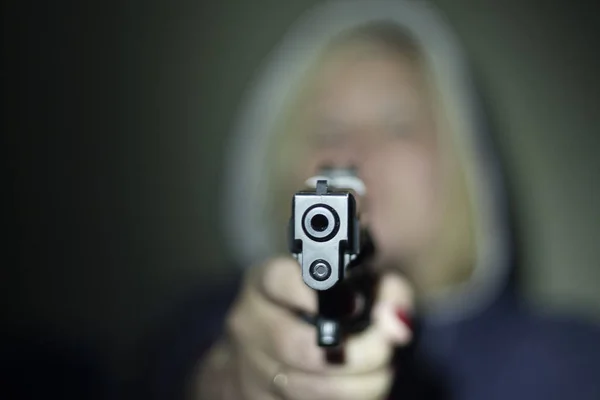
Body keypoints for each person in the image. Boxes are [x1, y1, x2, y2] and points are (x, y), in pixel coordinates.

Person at [141, 1, 600, 399]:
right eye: (328, 131)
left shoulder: (568, 362)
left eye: (398, 124)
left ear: (463, 162)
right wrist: (231, 381)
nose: (355, 153)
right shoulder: (194, 328)